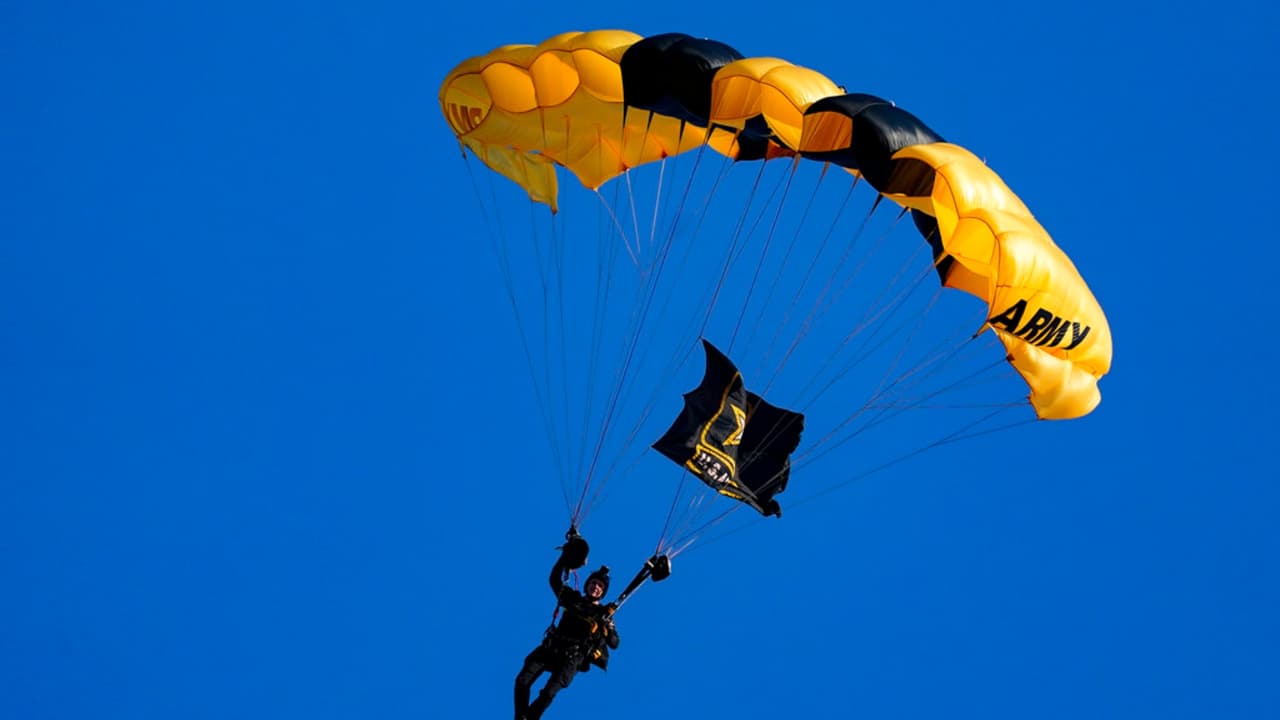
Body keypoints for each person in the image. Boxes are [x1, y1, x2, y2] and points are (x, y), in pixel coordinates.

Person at [514, 545, 620, 720]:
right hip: (552, 647)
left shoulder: (603, 614)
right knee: (522, 681)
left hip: (572, 658)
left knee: (548, 693)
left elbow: (614, 643)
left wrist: (607, 627)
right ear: (587, 585)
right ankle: (520, 717)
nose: (595, 587)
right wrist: (565, 556)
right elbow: (554, 580)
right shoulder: (572, 598)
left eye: (600, 586)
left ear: (603, 592)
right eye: (593, 583)